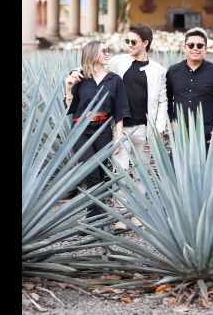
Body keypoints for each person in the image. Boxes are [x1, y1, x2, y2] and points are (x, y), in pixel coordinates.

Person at [107, 23, 168, 229]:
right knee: (120, 171)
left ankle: (138, 215)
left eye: (133, 42)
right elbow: (96, 71)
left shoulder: (159, 70)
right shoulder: (117, 62)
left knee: (141, 173)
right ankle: (121, 217)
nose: (129, 45)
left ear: (145, 43)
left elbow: (162, 102)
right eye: (127, 41)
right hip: (121, 128)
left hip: (145, 130)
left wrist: (158, 130)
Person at [65, 41, 131, 221]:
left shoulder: (114, 80)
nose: (107, 54)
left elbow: (120, 110)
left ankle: (97, 220)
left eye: (107, 50)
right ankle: (95, 222)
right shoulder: (80, 78)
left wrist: (118, 138)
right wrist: (69, 88)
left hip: (103, 130)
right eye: (103, 51)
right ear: (93, 53)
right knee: (92, 174)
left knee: (101, 175)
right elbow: (71, 108)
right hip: (81, 130)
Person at [166, 27, 213, 149]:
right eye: (191, 45)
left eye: (199, 45)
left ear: (205, 49)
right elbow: (167, 99)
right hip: (181, 133)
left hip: (208, 135)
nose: (195, 48)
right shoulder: (173, 71)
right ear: (185, 48)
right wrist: (171, 121)